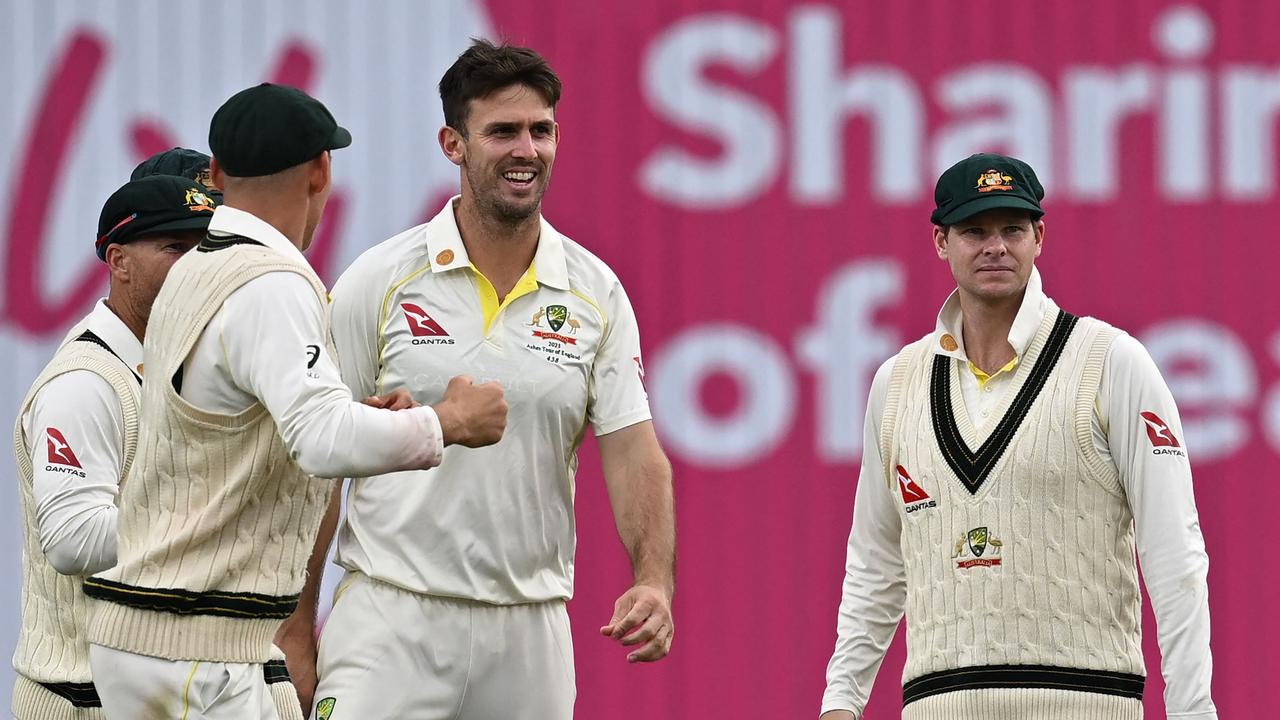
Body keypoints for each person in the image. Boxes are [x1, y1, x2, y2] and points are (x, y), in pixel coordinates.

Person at [82, 83, 508, 719]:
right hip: (197, 645)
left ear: (218, 173)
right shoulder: (272, 282)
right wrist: (444, 422)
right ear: (320, 169)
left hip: (153, 633)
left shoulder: (198, 263)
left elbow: (231, 415)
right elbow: (321, 442)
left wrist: (354, 414)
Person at [297, 40, 676, 720]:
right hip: (390, 616)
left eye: (541, 130)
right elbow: (318, 462)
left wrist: (653, 581)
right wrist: (297, 626)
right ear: (453, 143)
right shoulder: (380, 280)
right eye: (502, 131)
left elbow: (632, 448)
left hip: (531, 626)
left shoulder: (596, 292)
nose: (524, 149)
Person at [819, 153, 1216, 719]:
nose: (995, 246)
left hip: (1085, 707)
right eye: (974, 230)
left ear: (1039, 237)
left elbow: (1174, 553)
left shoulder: (1109, 363)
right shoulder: (897, 383)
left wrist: (1194, 711)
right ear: (941, 242)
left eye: (1012, 229)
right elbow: (876, 565)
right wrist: (842, 701)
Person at [12, 173, 214, 719]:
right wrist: (209, 511)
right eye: (175, 247)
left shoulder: (182, 364)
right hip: (83, 697)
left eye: (205, 247)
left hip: (161, 692)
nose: (196, 265)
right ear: (119, 261)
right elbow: (73, 540)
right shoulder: (85, 382)